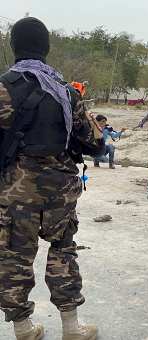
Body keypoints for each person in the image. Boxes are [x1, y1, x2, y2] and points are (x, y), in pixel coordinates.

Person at [0, 17, 99, 340]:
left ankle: (23, 328)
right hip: (60, 190)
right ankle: (71, 327)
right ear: (46, 48)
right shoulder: (66, 92)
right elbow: (94, 143)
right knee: (63, 250)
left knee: (14, 255)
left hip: (16, 189)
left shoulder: (3, 88)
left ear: (14, 47)